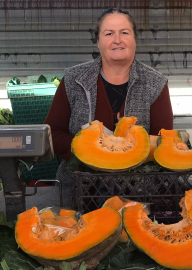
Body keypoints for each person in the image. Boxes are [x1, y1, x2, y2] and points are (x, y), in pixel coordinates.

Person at [44, 8, 173, 186]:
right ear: (98, 41)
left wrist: (132, 152)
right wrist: (88, 151)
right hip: (78, 187)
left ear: (134, 39)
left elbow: (162, 140)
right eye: (109, 33)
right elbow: (52, 132)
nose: (117, 40)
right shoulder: (73, 80)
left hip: (138, 190)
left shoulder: (155, 83)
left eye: (124, 33)